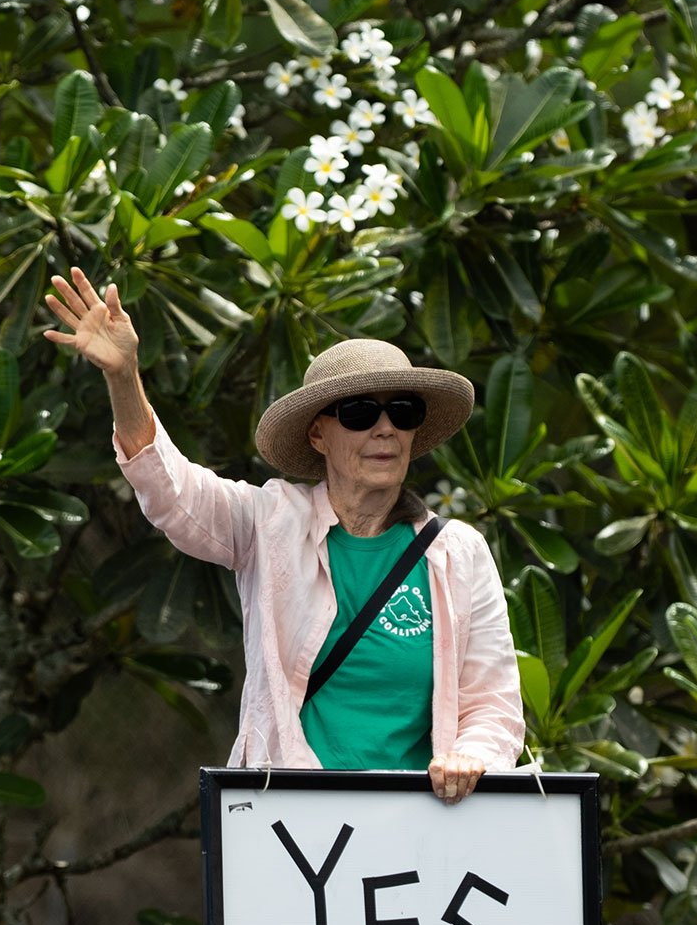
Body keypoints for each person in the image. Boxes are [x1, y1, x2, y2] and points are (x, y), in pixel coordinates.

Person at [41, 268, 524, 791]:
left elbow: (493, 705)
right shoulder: (270, 522)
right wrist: (124, 376)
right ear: (319, 434)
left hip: (418, 831)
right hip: (293, 825)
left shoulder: (460, 551)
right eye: (360, 412)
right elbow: (172, 492)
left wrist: (470, 757)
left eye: (402, 411)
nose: (384, 428)